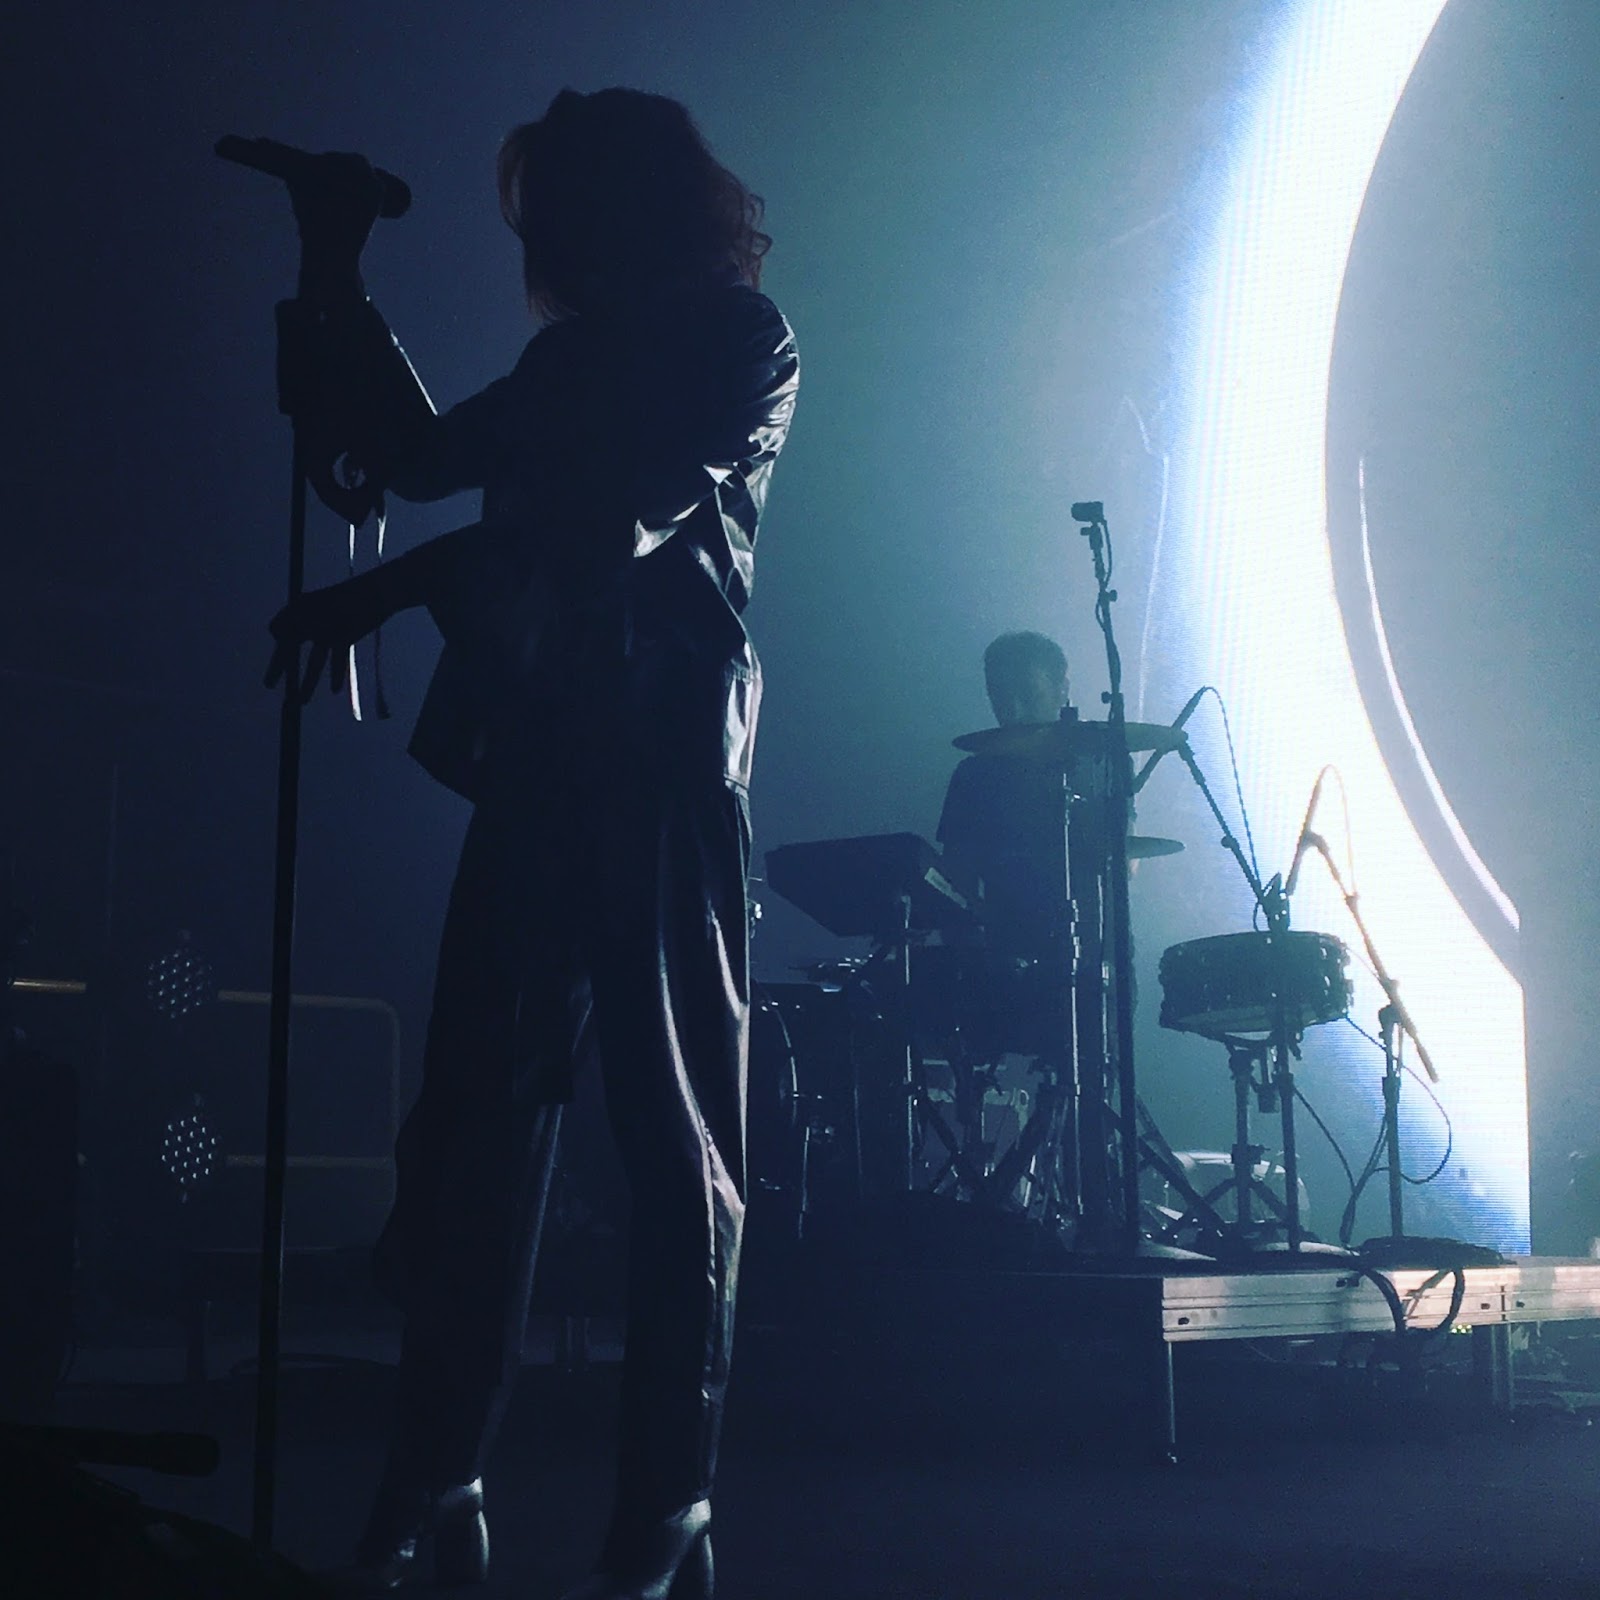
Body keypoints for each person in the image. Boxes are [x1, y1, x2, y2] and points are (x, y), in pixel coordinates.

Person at [265, 89, 798, 1600]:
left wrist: (388, 589)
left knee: (672, 1144)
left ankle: (668, 1502)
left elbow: (614, 519)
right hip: (543, 765)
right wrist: (331, 268)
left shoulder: (739, 339)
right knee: (473, 1136)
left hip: (659, 769)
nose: (544, 238)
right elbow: (416, 457)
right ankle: (439, 1473)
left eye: (559, 205)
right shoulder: (577, 359)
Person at [936, 631, 1072, 959]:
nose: (1012, 710)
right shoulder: (974, 775)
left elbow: (1125, 864)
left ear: (1062, 690)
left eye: (1028, 694)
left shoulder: (1100, 763)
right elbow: (957, 878)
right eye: (999, 695)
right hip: (1003, 953)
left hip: (1098, 950)